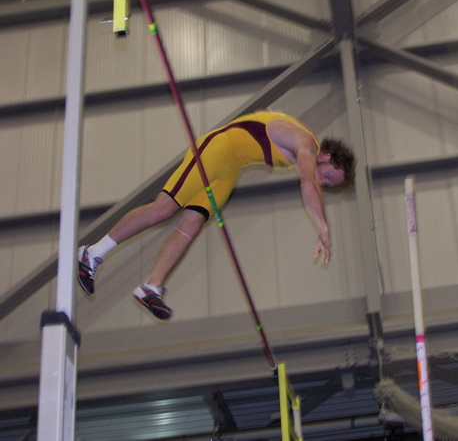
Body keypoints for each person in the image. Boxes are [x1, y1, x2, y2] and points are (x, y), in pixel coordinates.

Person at [77, 110, 356, 320]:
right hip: (217, 149)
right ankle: (92, 253)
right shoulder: (306, 144)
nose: (323, 183)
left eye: (329, 184)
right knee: (164, 209)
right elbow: (308, 183)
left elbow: (309, 180)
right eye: (327, 176)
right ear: (326, 156)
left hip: (230, 169)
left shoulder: (305, 147)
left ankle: (151, 287)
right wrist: (323, 227)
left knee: (191, 224)